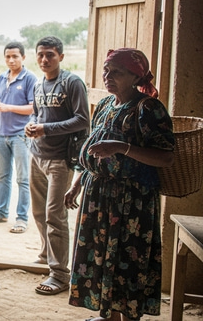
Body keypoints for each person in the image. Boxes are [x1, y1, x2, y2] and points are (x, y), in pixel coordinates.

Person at [64, 48, 174, 321]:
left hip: (131, 201)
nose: (108, 76)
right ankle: (109, 315)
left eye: (117, 72)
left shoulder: (148, 108)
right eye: (106, 70)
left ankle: (127, 316)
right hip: (98, 196)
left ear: (135, 76)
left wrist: (123, 147)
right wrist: (78, 183)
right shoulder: (104, 105)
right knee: (101, 257)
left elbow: (166, 157)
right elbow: (95, 151)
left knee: (127, 260)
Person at [24, 36, 90, 296]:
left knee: (55, 216)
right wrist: (32, 124)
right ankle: (47, 254)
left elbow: (83, 120)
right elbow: (37, 113)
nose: (44, 59)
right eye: (40, 54)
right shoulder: (39, 82)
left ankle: (60, 275)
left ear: (61, 57)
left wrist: (45, 129)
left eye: (50, 55)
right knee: (39, 213)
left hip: (60, 160)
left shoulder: (71, 83)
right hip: (37, 155)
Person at [0, 41, 38, 234]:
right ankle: (1, 212)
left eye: (15, 56)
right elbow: (1, 101)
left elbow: (33, 107)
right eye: (8, 56)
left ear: (23, 57)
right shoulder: (2, 77)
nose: (11, 60)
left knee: (23, 179)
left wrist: (7, 107)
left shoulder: (30, 78)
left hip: (21, 135)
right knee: (3, 177)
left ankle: (22, 219)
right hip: (1, 133)